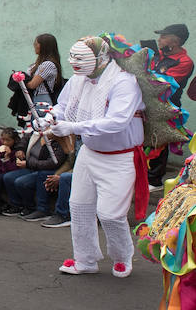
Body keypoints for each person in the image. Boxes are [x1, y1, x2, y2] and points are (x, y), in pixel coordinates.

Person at [47, 37, 145, 277]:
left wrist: (72, 127)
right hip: (89, 153)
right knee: (79, 206)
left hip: (120, 158)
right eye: (72, 57)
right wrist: (50, 117)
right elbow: (63, 105)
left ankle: (122, 257)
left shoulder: (124, 82)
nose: (73, 63)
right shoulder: (79, 81)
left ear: (101, 58)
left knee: (111, 214)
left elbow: (116, 122)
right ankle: (85, 259)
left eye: (80, 58)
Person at [148, 24, 193, 186]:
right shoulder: (158, 54)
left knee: (160, 141)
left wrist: (147, 72)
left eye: (164, 36)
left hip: (167, 106)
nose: (159, 40)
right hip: (148, 102)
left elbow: (165, 83)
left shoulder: (185, 61)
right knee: (145, 140)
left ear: (175, 41)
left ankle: (154, 180)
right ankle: (142, 175)